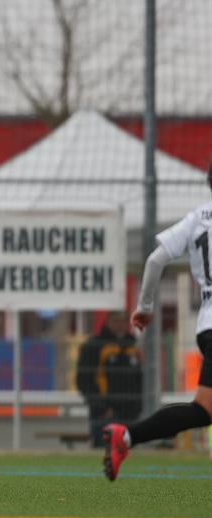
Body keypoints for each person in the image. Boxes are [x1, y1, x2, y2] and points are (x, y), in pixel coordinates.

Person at [103, 164, 212, 481]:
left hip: (207, 324)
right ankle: (126, 437)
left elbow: (154, 260)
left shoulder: (197, 219)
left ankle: (125, 438)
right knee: (203, 410)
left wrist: (145, 306)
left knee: (204, 409)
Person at [75, 311, 142, 447]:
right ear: (107, 322)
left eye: (123, 321)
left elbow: (140, 380)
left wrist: (137, 408)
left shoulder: (133, 346)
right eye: (116, 321)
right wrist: (101, 408)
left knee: (130, 459)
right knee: (105, 457)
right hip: (104, 416)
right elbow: (83, 381)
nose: (120, 325)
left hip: (131, 415)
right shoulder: (94, 346)